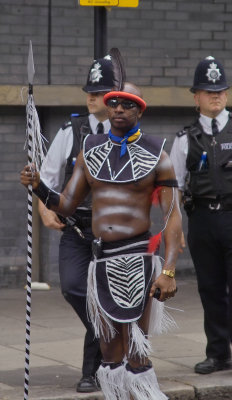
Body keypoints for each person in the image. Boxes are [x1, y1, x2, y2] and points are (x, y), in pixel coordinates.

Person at [20, 82, 182, 400]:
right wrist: (39, 186)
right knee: (109, 355)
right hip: (102, 263)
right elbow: (66, 205)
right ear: (107, 109)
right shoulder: (90, 150)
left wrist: (170, 270)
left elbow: (173, 216)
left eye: (127, 104)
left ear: (140, 110)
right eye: (114, 103)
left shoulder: (157, 154)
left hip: (140, 261)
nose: (119, 109)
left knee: (137, 352)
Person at [170, 56, 232, 381]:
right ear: (195, 95)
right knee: (210, 290)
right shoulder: (184, 139)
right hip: (203, 223)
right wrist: (175, 230)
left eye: (220, 90)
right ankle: (217, 354)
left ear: (226, 93)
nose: (216, 96)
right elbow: (173, 188)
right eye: (208, 91)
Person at [37, 54, 115, 393]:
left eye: (99, 92)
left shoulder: (127, 133)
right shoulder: (71, 131)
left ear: (114, 95)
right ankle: (113, 335)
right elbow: (47, 177)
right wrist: (44, 209)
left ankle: (92, 372)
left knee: (106, 295)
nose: (91, 97)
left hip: (113, 232)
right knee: (73, 288)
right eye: (89, 92)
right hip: (77, 229)